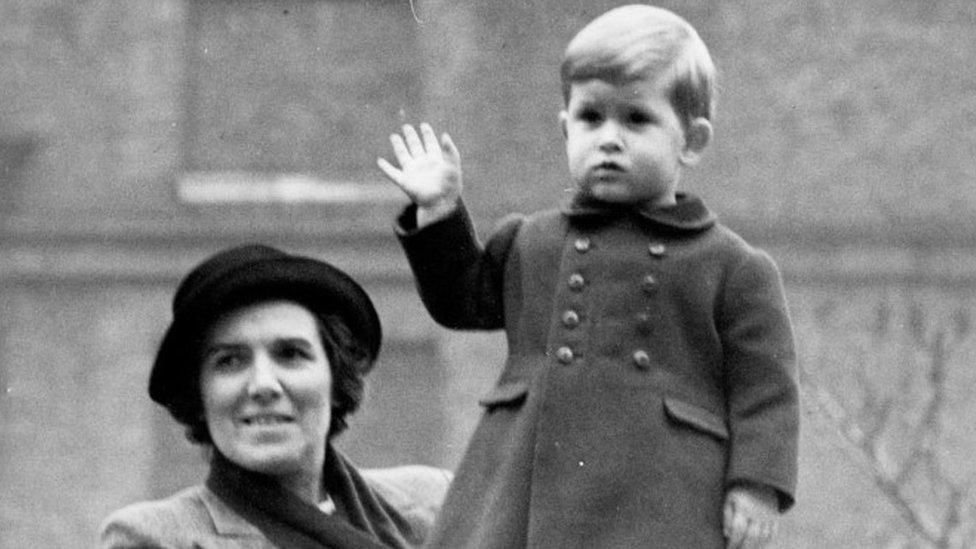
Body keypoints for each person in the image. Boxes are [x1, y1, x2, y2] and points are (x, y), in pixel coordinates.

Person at [376, 5, 798, 548]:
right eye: (590, 118)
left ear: (691, 141)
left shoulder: (732, 266)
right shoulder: (530, 241)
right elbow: (460, 303)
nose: (609, 138)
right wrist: (439, 213)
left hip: (662, 498)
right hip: (523, 483)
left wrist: (757, 485)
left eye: (637, 119)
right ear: (564, 128)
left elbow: (766, 390)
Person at [99, 244, 452, 548]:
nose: (263, 384)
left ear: (335, 378)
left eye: (291, 354)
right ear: (199, 395)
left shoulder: (434, 501)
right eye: (230, 361)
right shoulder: (155, 538)